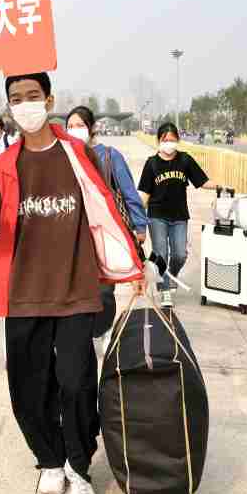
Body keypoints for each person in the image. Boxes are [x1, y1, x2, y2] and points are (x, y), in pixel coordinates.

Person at [0, 72, 144, 494]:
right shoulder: (2, 165)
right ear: (9, 107)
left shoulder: (78, 154)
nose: (24, 105)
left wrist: (130, 262)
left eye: (33, 96)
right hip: (23, 294)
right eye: (16, 99)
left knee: (77, 383)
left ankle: (79, 467)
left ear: (49, 101)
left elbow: (106, 207)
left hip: (75, 291)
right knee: (28, 386)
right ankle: (49, 458)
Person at [65, 106, 149, 354]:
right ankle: (83, 332)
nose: (74, 130)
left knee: (104, 288)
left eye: (80, 125)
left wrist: (139, 225)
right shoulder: (66, 156)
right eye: (70, 126)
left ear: (91, 128)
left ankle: (100, 330)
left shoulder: (110, 156)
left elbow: (129, 192)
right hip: (74, 233)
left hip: (105, 233)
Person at [137, 121, 215, 304]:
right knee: (161, 254)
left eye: (172, 140)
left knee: (180, 254)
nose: (169, 144)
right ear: (158, 141)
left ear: (178, 140)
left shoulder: (185, 160)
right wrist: (137, 219)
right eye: (165, 140)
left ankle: (170, 276)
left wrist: (222, 187)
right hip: (157, 216)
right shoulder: (152, 164)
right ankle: (165, 290)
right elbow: (144, 194)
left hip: (179, 216)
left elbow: (202, 181)